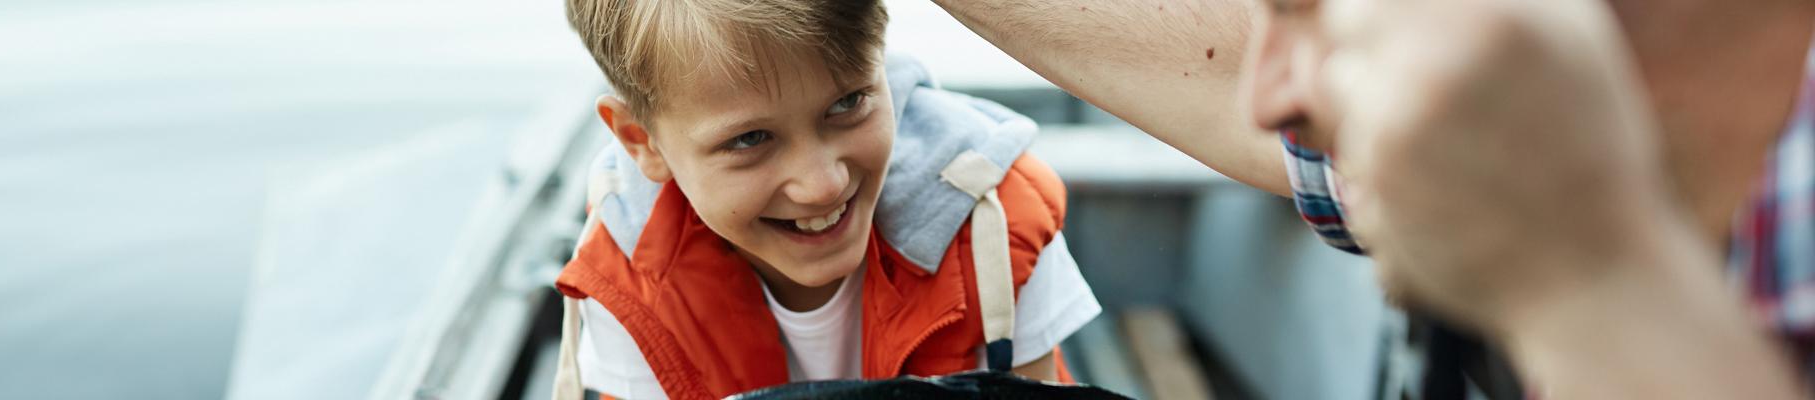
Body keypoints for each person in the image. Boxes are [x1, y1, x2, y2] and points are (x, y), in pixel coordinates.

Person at [933, 0, 1814, 397]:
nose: (1268, 96)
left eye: (1310, 8)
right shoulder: (1502, 103)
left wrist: (1588, 281)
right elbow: (1232, 81)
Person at [547, 1, 1103, 399]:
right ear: (642, 142)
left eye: (848, 103)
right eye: (750, 139)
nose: (822, 185)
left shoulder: (997, 221)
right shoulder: (628, 277)